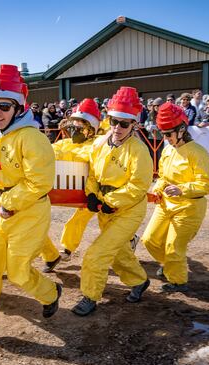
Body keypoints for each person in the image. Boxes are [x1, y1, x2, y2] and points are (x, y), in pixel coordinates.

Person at [0, 65, 61, 344]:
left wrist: (10, 203)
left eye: (4, 106)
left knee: (18, 272)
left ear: (18, 107)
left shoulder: (34, 138)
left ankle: (50, 293)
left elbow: (39, 183)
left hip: (29, 213)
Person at [71, 86, 153, 317]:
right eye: (113, 121)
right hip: (105, 208)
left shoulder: (139, 151)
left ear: (134, 125)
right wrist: (91, 193)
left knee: (96, 255)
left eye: (123, 124)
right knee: (118, 252)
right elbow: (94, 175)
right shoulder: (101, 145)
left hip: (128, 211)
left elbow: (138, 186)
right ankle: (139, 281)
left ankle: (90, 296)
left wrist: (111, 200)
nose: (116, 128)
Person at [141, 102, 209, 292]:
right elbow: (163, 177)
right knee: (149, 240)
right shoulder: (167, 150)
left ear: (182, 129)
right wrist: (157, 189)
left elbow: (205, 184)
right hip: (166, 204)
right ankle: (170, 265)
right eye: (162, 133)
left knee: (173, 247)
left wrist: (182, 189)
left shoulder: (198, 153)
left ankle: (178, 281)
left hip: (189, 208)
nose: (165, 138)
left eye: (168, 134)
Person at [39, 99, 104, 271]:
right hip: (70, 189)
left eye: (81, 124)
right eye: (74, 124)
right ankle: (59, 252)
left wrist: (92, 192)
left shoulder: (97, 145)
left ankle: (66, 249)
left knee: (87, 220)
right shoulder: (64, 143)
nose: (75, 128)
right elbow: (49, 153)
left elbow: (96, 170)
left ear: (92, 127)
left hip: (95, 192)